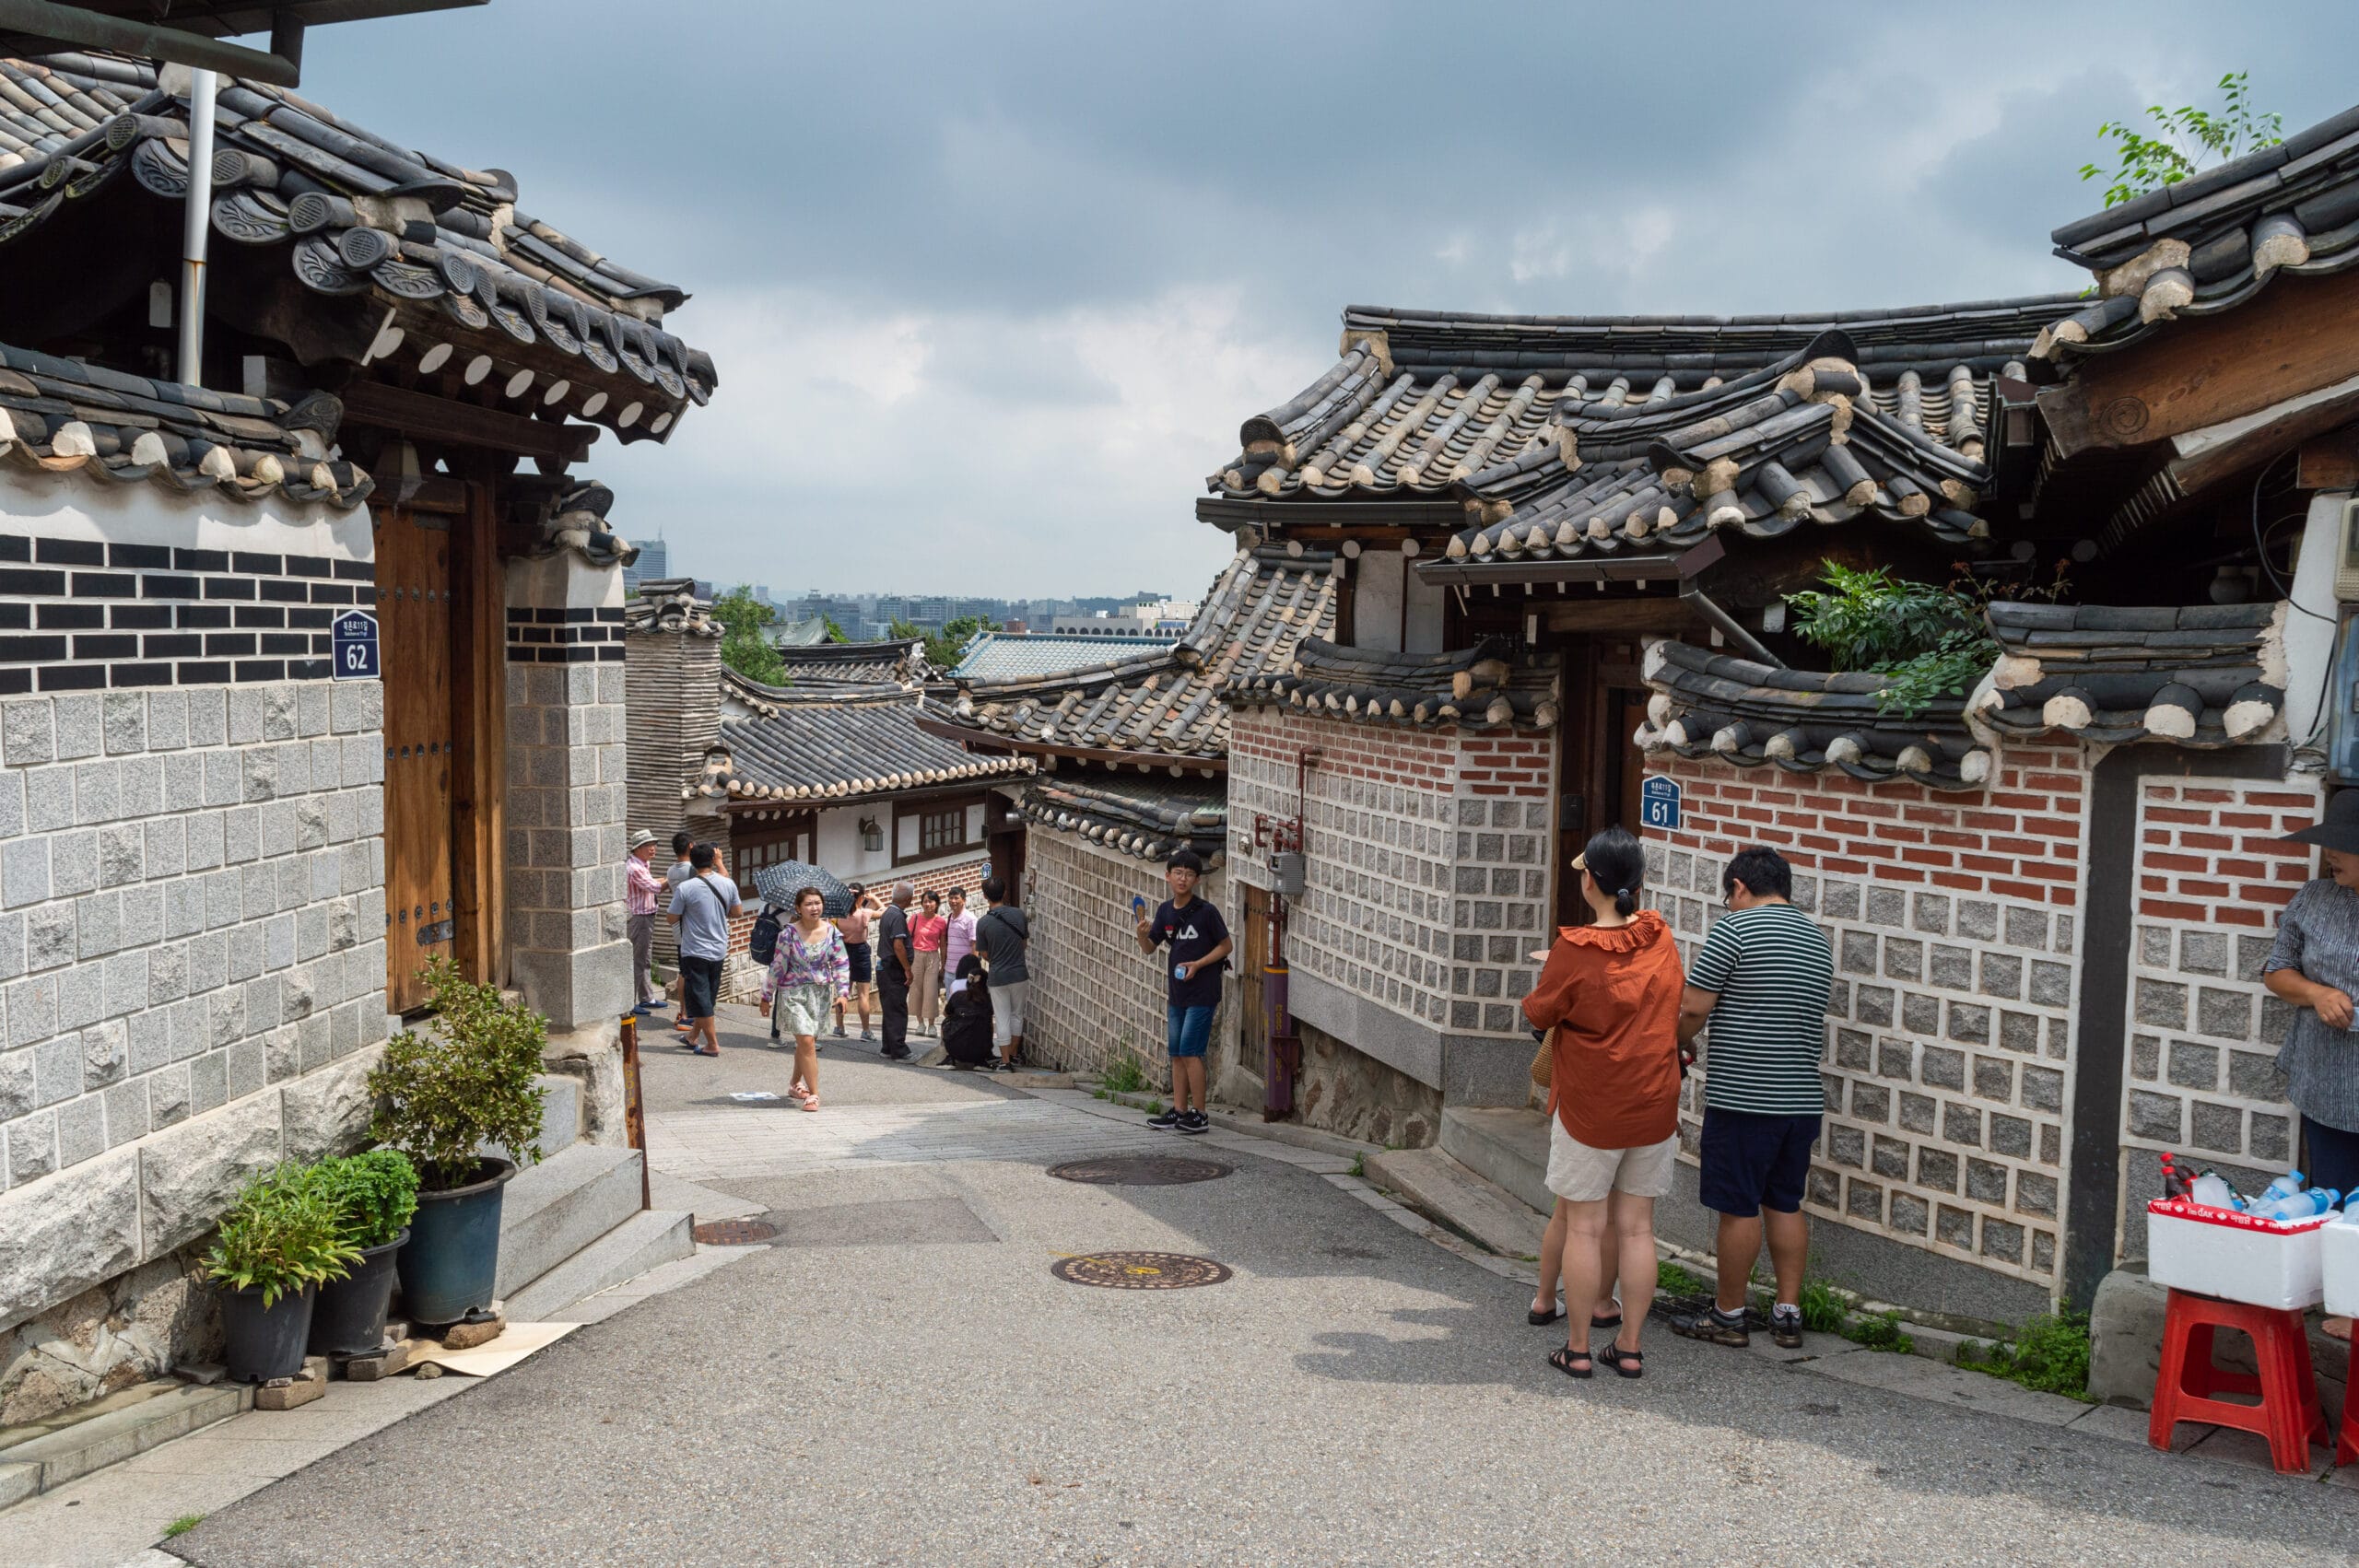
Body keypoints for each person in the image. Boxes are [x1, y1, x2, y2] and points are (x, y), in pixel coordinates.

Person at [1522, 829, 1684, 1381]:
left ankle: (1578, 1348)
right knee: (1638, 1229)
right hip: (1655, 1099)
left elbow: (1539, 1012)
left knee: (1585, 1227)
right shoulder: (1660, 937)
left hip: (1592, 1104)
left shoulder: (1574, 948)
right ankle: (1631, 1347)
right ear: (1635, 884)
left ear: (1590, 880)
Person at [1665, 846, 1834, 1352]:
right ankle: (1786, 1313)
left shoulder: (1734, 931)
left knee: (1738, 1207)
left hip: (1744, 1099)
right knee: (1784, 1202)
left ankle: (1729, 1314)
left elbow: (1694, 1007)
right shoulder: (1817, 940)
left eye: (1727, 895)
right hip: (1800, 1100)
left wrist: (1677, 1040)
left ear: (1738, 886)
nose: (1727, 903)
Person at [2263, 790, 2359, 1340]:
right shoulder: (2314, 898)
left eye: (2342, 847)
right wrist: (2316, 991)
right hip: (2325, 1077)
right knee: (2335, 1190)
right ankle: (2340, 1300)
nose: (2329, 856)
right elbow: (2278, 972)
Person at [1136, 848, 1232, 1136]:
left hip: (1203, 992)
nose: (1183, 878)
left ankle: (1200, 1114)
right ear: (1168, 876)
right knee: (1177, 1053)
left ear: (1197, 880)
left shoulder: (1206, 913)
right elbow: (1150, 948)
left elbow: (1226, 946)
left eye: (1189, 874)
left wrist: (1199, 964)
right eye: (1178, 873)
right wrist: (1141, 933)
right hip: (1177, 992)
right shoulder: (1165, 911)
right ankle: (1179, 1111)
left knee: (1191, 1052)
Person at [759, 885, 850, 1113]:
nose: (814, 907)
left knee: (804, 1041)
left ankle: (794, 1084)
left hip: (819, 993)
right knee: (808, 1041)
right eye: (808, 904)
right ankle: (814, 1094)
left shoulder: (832, 933)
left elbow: (840, 963)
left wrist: (843, 994)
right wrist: (766, 995)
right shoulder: (788, 934)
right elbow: (777, 966)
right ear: (798, 908)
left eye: (817, 903)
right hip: (793, 993)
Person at [665, 842, 745, 1059]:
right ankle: (693, 1036)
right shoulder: (727, 884)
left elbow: (671, 918)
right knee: (707, 996)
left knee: (701, 998)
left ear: (692, 861)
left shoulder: (686, 888)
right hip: (719, 948)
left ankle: (712, 1044)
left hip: (694, 950)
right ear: (712, 860)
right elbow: (737, 912)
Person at [975, 875, 1030, 1072]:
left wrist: (996, 959)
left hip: (998, 975)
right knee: (1017, 1014)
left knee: (1002, 1017)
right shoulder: (1019, 915)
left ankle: (1005, 1061)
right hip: (1019, 973)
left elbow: (984, 953)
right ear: (1005, 892)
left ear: (985, 896)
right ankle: (1014, 1055)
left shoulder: (983, 923)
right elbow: (1023, 943)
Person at [624, 829, 663, 1016]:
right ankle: (629, 1003)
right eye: (649, 845)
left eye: (653, 844)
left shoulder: (642, 865)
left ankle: (647, 997)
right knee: (638, 960)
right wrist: (674, 877)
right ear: (638, 848)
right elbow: (654, 887)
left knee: (646, 959)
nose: (653, 848)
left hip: (646, 916)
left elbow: (652, 883)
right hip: (639, 918)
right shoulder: (635, 868)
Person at [876, 882, 916, 1060]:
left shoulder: (887, 913)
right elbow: (898, 945)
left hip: (884, 966)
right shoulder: (897, 916)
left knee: (889, 1007)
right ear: (908, 899)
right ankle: (898, 1048)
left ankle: (887, 1046)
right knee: (897, 1008)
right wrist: (907, 969)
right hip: (893, 967)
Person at [835, 884, 878, 1040]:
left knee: (843, 991)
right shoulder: (864, 913)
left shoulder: (838, 914)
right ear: (861, 897)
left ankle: (839, 1027)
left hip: (843, 951)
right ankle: (866, 1031)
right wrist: (874, 899)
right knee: (863, 994)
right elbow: (886, 911)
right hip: (860, 951)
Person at [663, 830, 695, 1032]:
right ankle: (685, 1014)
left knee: (684, 970)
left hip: (678, 928)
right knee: (688, 972)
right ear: (691, 846)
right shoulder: (692, 870)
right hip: (690, 927)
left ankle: (683, 1011)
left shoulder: (671, 871)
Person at [910, 890, 948, 1037]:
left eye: (931, 901)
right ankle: (920, 1023)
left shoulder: (941, 921)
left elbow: (943, 944)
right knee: (917, 989)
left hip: (933, 956)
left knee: (931, 991)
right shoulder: (915, 918)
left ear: (936, 904)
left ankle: (932, 1025)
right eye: (925, 901)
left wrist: (943, 964)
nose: (928, 904)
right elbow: (907, 939)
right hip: (917, 955)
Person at [941, 886, 979, 1027]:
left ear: (964, 900)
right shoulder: (950, 917)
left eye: (957, 898)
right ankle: (952, 1030)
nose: (953, 901)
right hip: (950, 969)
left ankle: (964, 1030)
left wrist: (972, 970)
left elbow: (975, 945)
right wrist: (943, 966)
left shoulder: (970, 919)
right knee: (951, 1004)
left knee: (964, 1003)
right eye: (951, 898)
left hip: (963, 971)